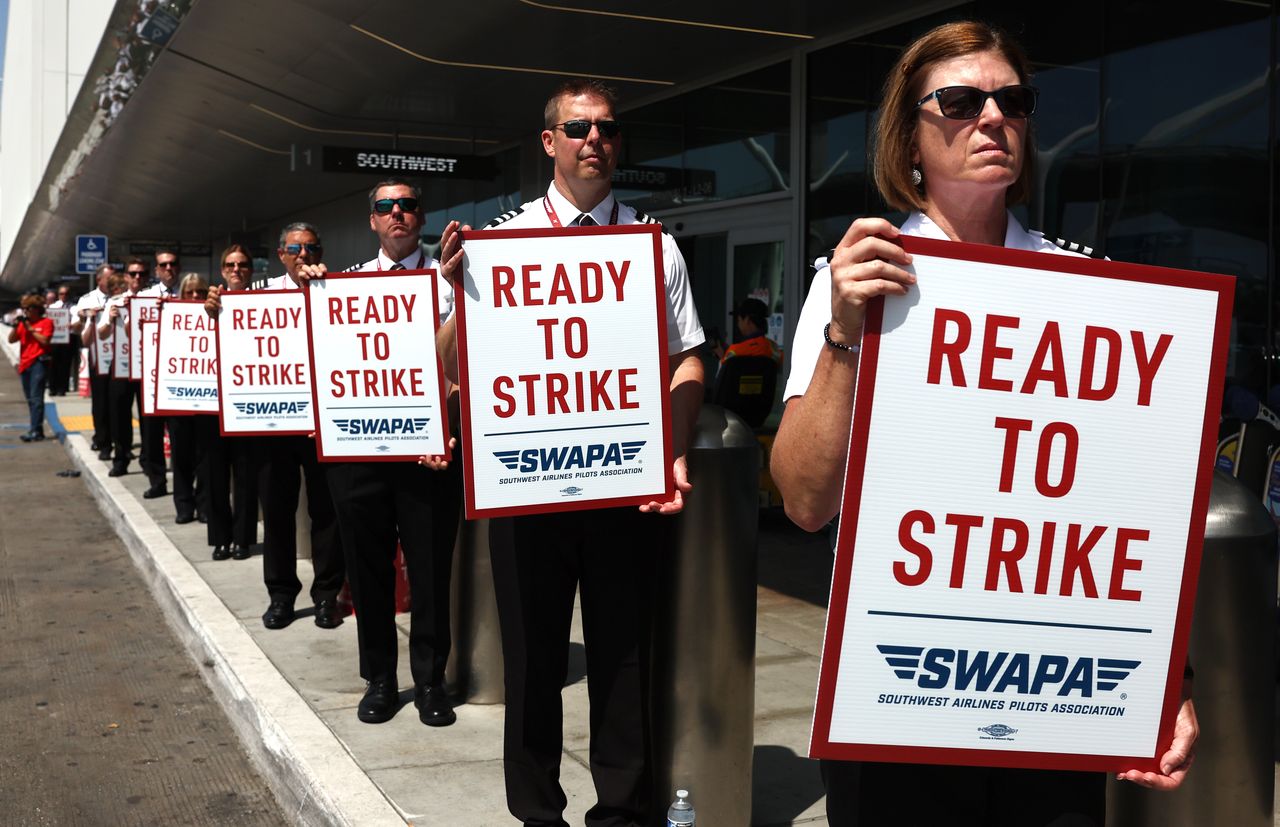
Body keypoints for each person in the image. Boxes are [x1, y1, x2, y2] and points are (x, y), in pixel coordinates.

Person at [769, 21, 1199, 825]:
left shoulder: (1086, 288)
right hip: (898, 693)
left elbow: (1128, 507)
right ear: (909, 136)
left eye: (1014, 100)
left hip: (1054, 691)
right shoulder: (856, 277)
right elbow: (802, 499)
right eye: (962, 101)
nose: (993, 117)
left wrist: (1164, 682)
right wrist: (844, 336)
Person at [435, 78, 705, 827]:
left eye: (608, 129)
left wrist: (674, 450)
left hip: (627, 491)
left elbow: (687, 359)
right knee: (533, 663)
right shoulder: (496, 246)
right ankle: (538, 812)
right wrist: (454, 296)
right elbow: (449, 371)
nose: (596, 140)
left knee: (625, 658)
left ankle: (622, 810)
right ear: (549, 142)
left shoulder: (657, 247)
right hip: (529, 494)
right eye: (579, 128)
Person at [298, 182, 462, 725]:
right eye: (386, 207)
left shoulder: (451, 283)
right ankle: (381, 679)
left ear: (421, 215)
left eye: (408, 205)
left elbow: (462, 367)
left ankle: (431, 681)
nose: (398, 214)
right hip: (360, 454)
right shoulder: (343, 287)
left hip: (430, 453)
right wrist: (310, 294)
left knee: (432, 567)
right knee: (367, 569)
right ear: (372, 220)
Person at [207, 228, 345, 628]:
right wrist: (217, 309)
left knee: (326, 513)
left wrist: (316, 289)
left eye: (312, 247)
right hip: (274, 425)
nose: (304, 254)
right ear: (282, 254)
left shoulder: (335, 289)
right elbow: (233, 334)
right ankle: (281, 595)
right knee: (278, 512)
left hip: (322, 422)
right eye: (295, 248)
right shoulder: (258, 294)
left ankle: (326, 595)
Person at [198, 245, 260, 563]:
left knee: (246, 475)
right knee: (215, 475)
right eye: (230, 264)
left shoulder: (263, 301)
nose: (237, 269)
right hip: (214, 404)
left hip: (248, 402)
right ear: (222, 270)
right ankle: (220, 538)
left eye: (243, 264)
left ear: (250, 269)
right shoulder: (210, 302)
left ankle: (243, 539)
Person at [165, 271, 211, 525]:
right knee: (180, 456)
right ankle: (184, 505)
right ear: (181, 294)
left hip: (208, 401)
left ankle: (204, 505)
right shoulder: (168, 316)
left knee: (205, 457)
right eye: (190, 292)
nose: (195, 297)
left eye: (200, 292)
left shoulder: (217, 315)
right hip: (178, 400)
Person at [137, 250, 181, 499]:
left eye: (172, 264)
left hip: (181, 375)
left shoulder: (190, 292)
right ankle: (157, 480)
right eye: (163, 265)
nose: (168, 268)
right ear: (156, 270)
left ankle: (187, 485)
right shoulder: (145, 297)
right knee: (151, 433)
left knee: (180, 435)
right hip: (152, 376)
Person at [100, 260, 147, 477]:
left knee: (148, 418)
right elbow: (101, 334)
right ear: (126, 277)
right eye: (133, 274)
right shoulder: (115, 302)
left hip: (147, 367)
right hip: (121, 366)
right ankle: (121, 457)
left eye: (141, 274)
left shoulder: (153, 300)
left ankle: (149, 460)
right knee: (119, 414)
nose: (137, 278)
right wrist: (109, 321)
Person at [73, 263, 115, 458]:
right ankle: (103, 440)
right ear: (100, 280)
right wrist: (86, 316)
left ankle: (119, 440)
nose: (113, 281)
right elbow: (76, 326)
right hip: (98, 356)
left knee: (117, 402)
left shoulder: (121, 298)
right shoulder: (87, 300)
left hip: (120, 354)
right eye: (109, 278)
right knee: (100, 401)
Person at [10, 294, 54, 442]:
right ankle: (37, 430)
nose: (26, 311)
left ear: (36, 309)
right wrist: (17, 326)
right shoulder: (23, 324)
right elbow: (11, 339)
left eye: (28, 308)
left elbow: (45, 340)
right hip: (25, 364)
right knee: (30, 399)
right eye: (24, 309)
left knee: (36, 398)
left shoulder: (46, 322)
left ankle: (35, 430)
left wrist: (31, 329)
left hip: (38, 363)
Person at [47, 285, 75, 396]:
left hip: (68, 338)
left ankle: (62, 388)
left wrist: (71, 324)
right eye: (61, 294)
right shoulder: (53, 307)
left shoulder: (73, 308)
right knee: (53, 363)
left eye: (66, 294)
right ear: (58, 295)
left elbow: (77, 321)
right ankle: (52, 387)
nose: (64, 296)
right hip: (54, 339)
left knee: (65, 364)